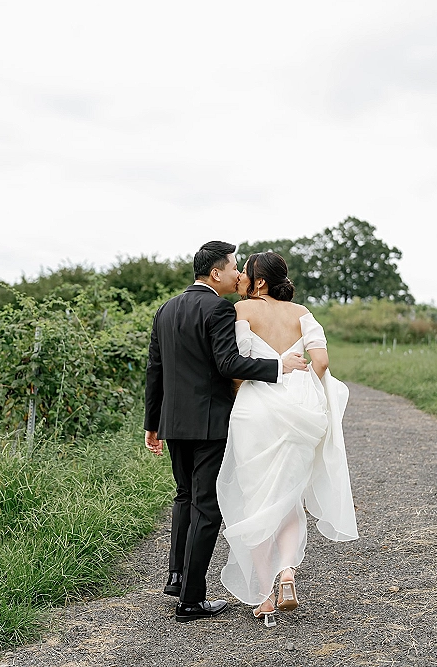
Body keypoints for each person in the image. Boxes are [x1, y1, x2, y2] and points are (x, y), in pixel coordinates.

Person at [144, 241, 308, 623]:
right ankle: (191, 600)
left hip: (174, 423)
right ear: (215, 273)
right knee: (206, 506)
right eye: (234, 267)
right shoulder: (217, 307)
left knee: (184, 497)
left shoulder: (165, 309)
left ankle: (177, 578)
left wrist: (152, 423)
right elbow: (227, 363)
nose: (238, 274)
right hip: (210, 424)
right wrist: (279, 366)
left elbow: (155, 370)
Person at [216, 252, 359, 628]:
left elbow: (236, 363)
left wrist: (240, 392)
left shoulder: (242, 309)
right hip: (299, 410)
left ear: (259, 281)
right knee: (289, 497)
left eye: (246, 271)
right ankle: (288, 573)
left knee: (257, 499)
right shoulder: (301, 313)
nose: (242, 276)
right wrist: (302, 385)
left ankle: (264, 598)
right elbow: (322, 363)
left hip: (255, 409)